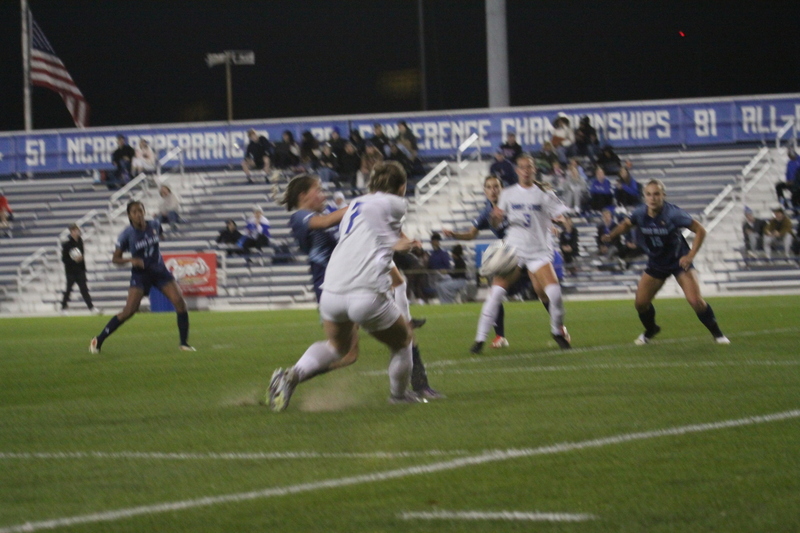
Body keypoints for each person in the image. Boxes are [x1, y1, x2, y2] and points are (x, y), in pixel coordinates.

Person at [267, 162, 427, 411]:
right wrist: (393, 240)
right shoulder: (392, 203)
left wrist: (363, 209)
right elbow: (361, 220)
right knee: (402, 341)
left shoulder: (356, 207)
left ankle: (293, 375)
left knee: (338, 347)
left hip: (332, 290)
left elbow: (365, 224)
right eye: (317, 190)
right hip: (360, 290)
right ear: (402, 186)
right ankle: (399, 395)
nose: (323, 194)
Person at [602, 179, 729, 345]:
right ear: (644, 197)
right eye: (649, 194)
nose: (652, 198)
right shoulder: (640, 213)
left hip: (679, 262)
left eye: (656, 194)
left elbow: (700, 230)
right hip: (657, 263)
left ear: (663, 196)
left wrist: (690, 255)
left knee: (695, 301)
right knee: (640, 303)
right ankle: (651, 329)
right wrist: (611, 235)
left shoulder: (673, 214)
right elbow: (626, 224)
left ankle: (718, 334)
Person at [470, 153, 573, 353]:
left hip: (538, 252)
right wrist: (496, 218)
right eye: (522, 167)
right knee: (495, 294)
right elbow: (496, 221)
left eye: (529, 167)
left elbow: (561, 215)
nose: (526, 170)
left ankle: (556, 331)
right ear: (517, 171)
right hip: (514, 251)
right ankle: (480, 339)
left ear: (534, 170)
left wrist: (562, 221)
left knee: (555, 294)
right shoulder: (508, 194)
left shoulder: (545, 193)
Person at [90, 201, 194, 354]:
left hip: (159, 272)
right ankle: (98, 339)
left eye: (140, 210)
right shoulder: (127, 234)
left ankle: (184, 344)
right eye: (134, 212)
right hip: (141, 275)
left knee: (179, 302)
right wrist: (132, 260)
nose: (138, 214)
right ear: (129, 216)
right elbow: (115, 259)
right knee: (129, 311)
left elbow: (160, 236)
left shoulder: (154, 225)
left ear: (144, 211)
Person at [442, 175, 511, 348]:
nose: (493, 190)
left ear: (502, 188)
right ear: (485, 191)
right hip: (511, 252)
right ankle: (499, 337)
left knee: (544, 292)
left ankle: (559, 328)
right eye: (489, 187)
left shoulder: (512, 203)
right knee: (495, 292)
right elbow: (472, 234)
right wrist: (454, 234)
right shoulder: (486, 213)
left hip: (527, 247)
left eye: (496, 186)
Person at [60, 224, 100, 314]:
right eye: (74, 231)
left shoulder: (80, 242)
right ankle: (63, 308)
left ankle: (91, 308)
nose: (76, 232)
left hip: (80, 270)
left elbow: (81, 254)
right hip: (71, 272)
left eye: (77, 230)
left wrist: (81, 260)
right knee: (68, 290)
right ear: (71, 232)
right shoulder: (67, 245)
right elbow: (64, 259)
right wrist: (74, 259)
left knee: (84, 290)